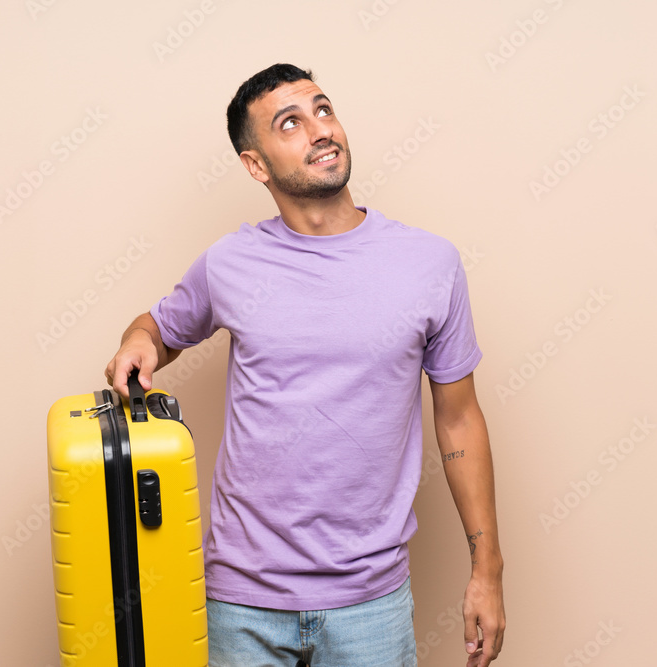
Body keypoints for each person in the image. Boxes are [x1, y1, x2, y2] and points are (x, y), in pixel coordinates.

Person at [104, 63, 505, 667]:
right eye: (290, 123)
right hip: (240, 603)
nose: (321, 130)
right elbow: (159, 329)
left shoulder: (430, 263)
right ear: (256, 165)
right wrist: (139, 339)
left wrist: (488, 570)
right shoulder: (230, 263)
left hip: (371, 602)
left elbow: (459, 422)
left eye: (323, 110)